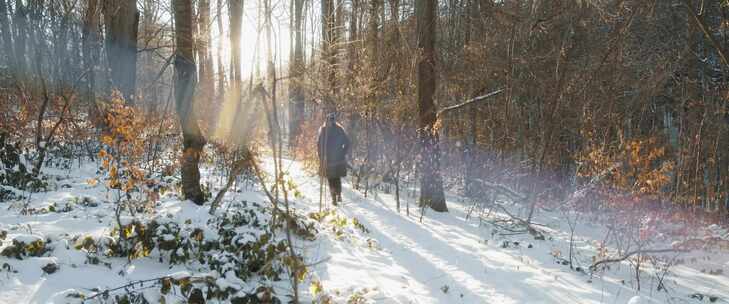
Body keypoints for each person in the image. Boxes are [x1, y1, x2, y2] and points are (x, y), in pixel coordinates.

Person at [317, 113, 351, 205]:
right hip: (333, 159)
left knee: (332, 178)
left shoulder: (325, 130)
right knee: (335, 178)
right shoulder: (335, 129)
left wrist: (321, 156)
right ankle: (337, 195)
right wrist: (342, 152)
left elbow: (319, 145)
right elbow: (320, 144)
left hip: (331, 159)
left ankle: (335, 197)